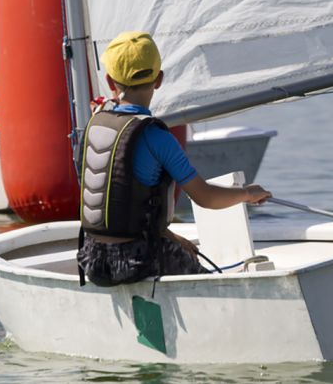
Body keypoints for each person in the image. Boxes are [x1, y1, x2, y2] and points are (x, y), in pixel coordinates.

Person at [77, 31, 271, 286]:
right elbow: (206, 197)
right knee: (207, 280)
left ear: (110, 81)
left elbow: (116, 205)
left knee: (182, 250)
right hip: (136, 260)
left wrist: (170, 236)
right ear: (158, 79)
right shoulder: (156, 136)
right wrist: (247, 194)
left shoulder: (94, 125)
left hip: (92, 259)